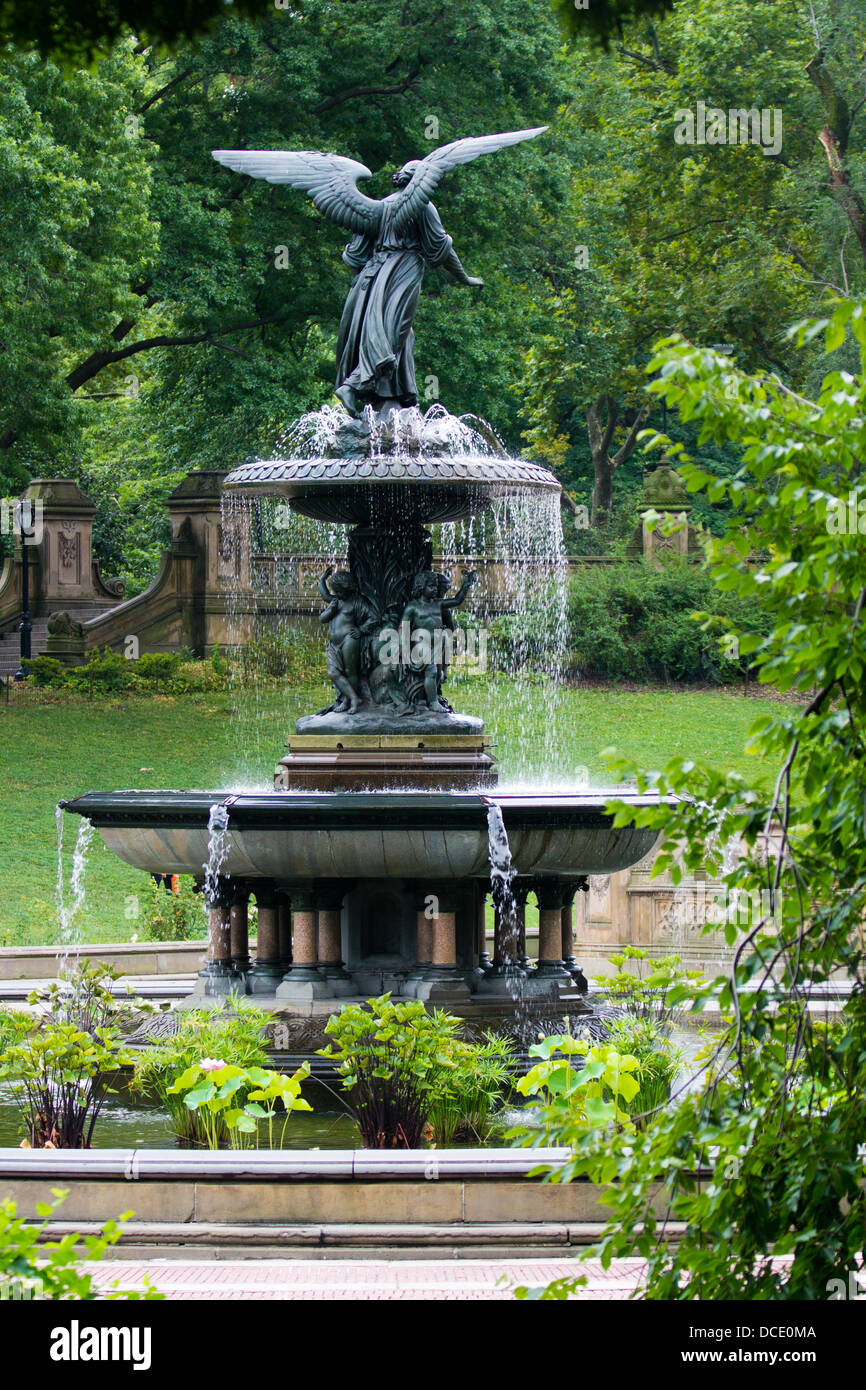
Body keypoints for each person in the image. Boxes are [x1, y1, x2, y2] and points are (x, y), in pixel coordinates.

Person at [400, 568, 476, 711]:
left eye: (435, 586)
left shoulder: (438, 603)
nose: (435, 589)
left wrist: (466, 584)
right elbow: (403, 629)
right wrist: (404, 652)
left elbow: (457, 600)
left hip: (438, 644)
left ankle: (429, 700)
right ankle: (433, 703)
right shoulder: (412, 607)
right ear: (421, 587)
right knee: (432, 671)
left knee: (438, 675)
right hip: (422, 644)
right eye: (431, 586)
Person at [318, 567, 376, 713]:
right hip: (334, 644)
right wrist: (322, 580)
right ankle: (352, 697)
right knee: (333, 672)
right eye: (335, 591)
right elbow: (325, 596)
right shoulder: (336, 601)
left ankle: (349, 700)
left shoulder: (357, 602)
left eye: (340, 591)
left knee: (351, 671)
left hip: (349, 639)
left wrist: (361, 629)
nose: (337, 594)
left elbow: (373, 618)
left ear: (348, 589)